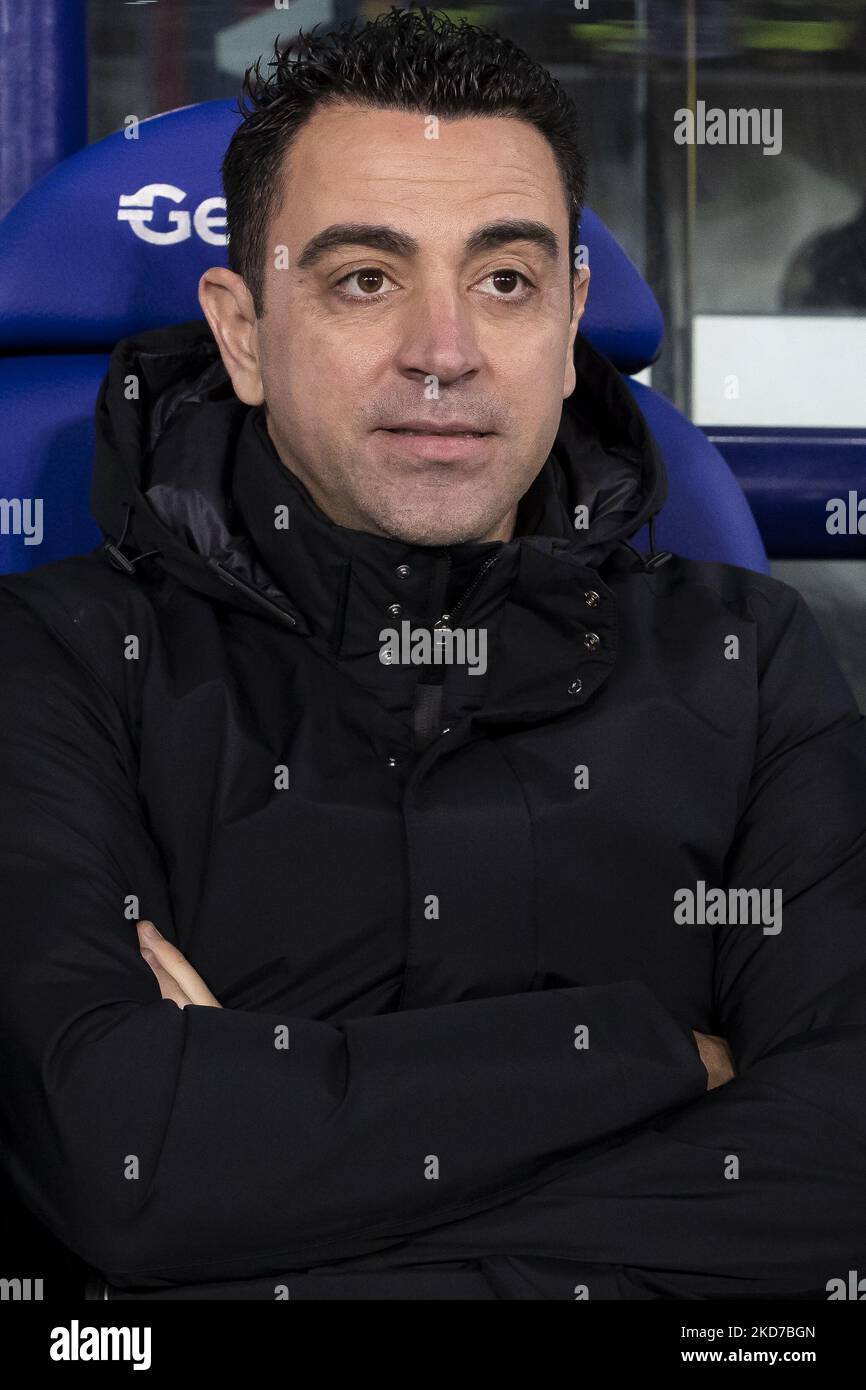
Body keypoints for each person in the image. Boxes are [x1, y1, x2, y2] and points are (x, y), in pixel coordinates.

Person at [1, 7, 864, 1302]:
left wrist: (270, 1176)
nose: (444, 352)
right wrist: (660, 1056)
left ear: (570, 318)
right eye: (364, 277)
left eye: (504, 279)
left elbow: (838, 1158)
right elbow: (128, 1162)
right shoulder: (57, 662)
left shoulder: (745, 659)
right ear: (241, 331)